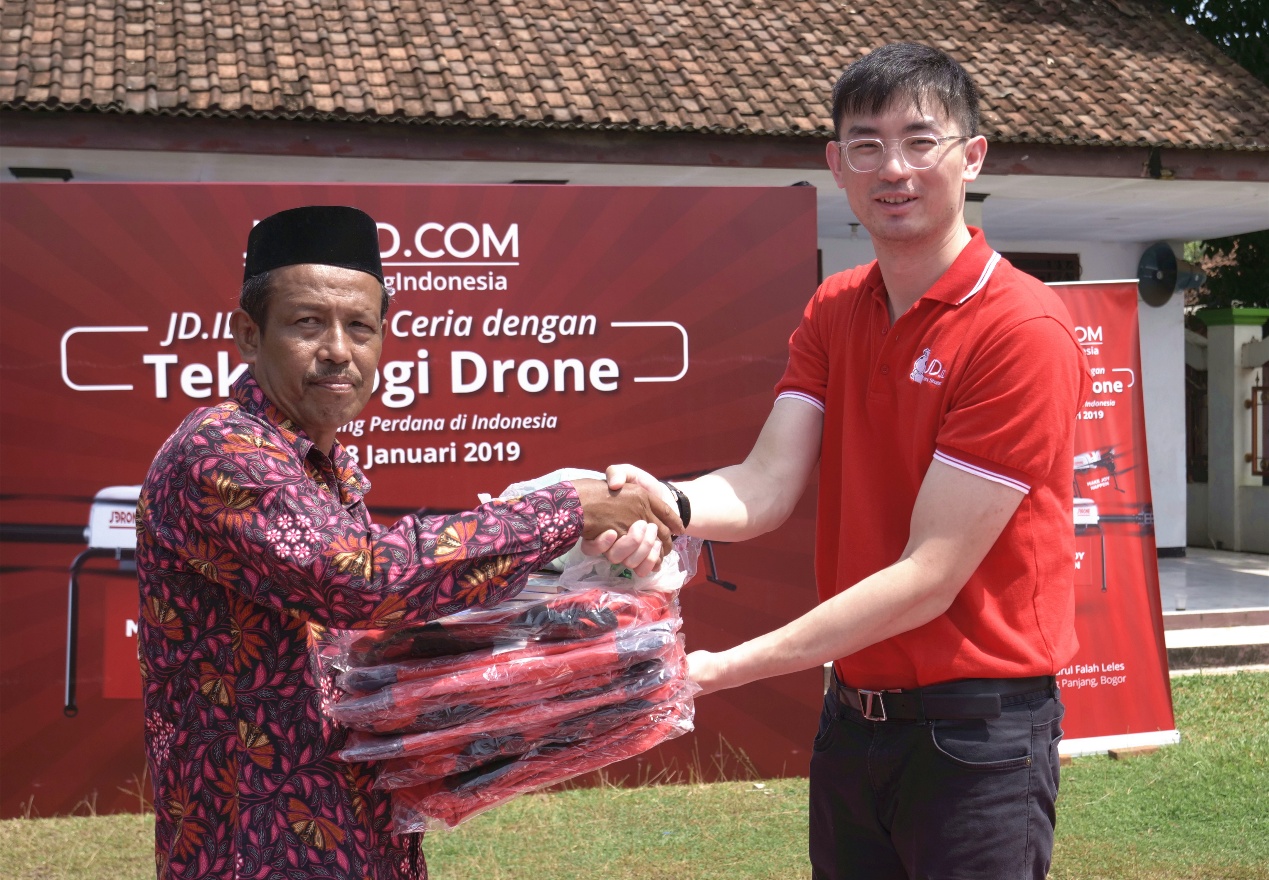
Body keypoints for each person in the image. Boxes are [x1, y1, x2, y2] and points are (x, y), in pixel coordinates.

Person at [596, 43, 1090, 879]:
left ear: (971, 156)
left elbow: (929, 575)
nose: (892, 168)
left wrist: (722, 668)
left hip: (976, 739)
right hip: (854, 724)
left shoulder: (1020, 330)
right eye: (866, 145)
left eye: (919, 140)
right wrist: (666, 502)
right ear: (836, 165)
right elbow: (766, 483)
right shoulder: (835, 306)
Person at [135, 204, 680, 879]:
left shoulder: (320, 466)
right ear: (249, 335)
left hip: (359, 836)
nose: (339, 350)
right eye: (308, 323)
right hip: (259, 849)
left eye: (360, 326)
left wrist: (570, 619)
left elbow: (374, 631)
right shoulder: (221, 449)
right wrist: (567, 509)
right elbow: (361, 580)